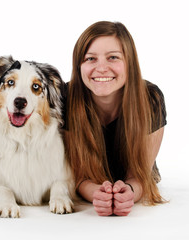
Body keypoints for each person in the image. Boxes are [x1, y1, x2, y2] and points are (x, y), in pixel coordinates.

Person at [63, 21, 167, 216]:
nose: (102, 68)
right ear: (79, 66)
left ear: (130, 63)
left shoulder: (150, 99)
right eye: (90, 59)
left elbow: (141, 175)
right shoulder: (65, 98)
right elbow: (75, 176)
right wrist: (95, 193)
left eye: (113, 57)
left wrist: (130, 193)